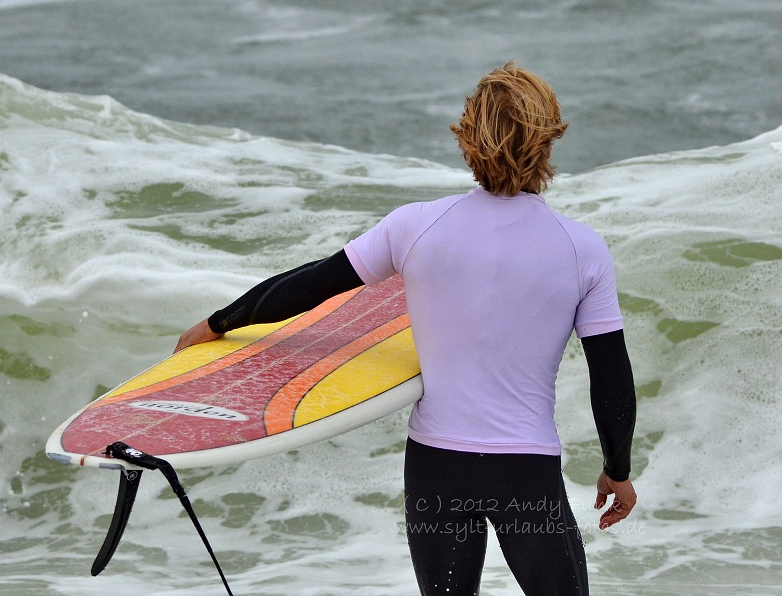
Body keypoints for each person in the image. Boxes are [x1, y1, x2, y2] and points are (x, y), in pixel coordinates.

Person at [174, 61, 637, 596]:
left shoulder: (416, 227)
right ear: (548, 140)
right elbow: (611, 376)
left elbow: (311, 285)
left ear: (468, 136)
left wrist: (219, 322)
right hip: (523, 475)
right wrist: (617, 469)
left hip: (436, 470)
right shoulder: (581, 249)